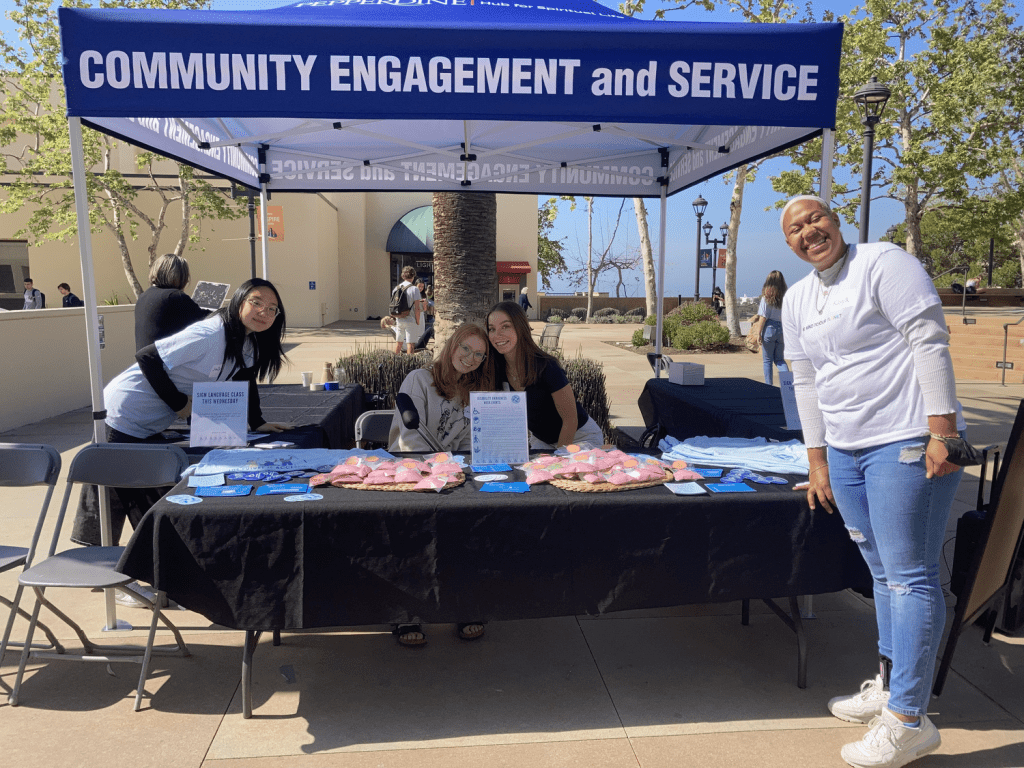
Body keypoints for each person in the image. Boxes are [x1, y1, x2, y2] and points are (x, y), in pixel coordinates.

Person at [780, 195, 966, 768]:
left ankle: (908, 719)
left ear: (836, 221)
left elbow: (928, 339)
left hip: (905, 440)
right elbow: (805, 381)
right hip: (844, 449)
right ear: (789, 243)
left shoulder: (884, 262)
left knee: (911, 577)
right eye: (795, 229)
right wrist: (817, 461)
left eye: (815, 219)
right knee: (881, 573)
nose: (809, 232)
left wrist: (944, 431)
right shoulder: (797, 298)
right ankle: (889, 684)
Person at [71, 279, 291, 604]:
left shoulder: (246, 341)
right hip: (124, 412)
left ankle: (132, 576)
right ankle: (123, 579)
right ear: (240, 301)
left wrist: (257, 423)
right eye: (257, 302)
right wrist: (180, 405)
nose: (264, 312)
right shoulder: (209, 333)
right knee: (140, 498)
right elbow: (147, 358)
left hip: (150, 423)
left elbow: (244, 379)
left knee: (149, 496)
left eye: (272, 309)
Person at [387, 322, 494, 646]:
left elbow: (465, 442)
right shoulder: (419, 379)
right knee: (414, 538)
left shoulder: (470, 393)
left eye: (479, 354)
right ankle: (406, 616)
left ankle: (465, 606)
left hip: (451, 474)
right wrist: (440, 468)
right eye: (466, 348)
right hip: (413, 473)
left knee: (470, 529)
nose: (471, 358)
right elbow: (409, 438)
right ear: (452, 346)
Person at [486, 301, 603, 449]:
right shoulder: (497, 369)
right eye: (492, 329)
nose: (497, 335)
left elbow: (570, 419)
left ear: (520, 327)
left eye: (506, 326)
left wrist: (560, 458)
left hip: (579, 437)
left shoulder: (546, 366)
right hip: (542, 440)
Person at [135, 253, 208, 351]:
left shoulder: (144, 296)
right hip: (166, 363)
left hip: (146, 362)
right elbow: (205, 320)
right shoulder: (175, 297)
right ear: (182, 276)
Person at [757, 271, 789, 386]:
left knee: (767, 360)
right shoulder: (786, 296)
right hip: (782, 329)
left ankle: (768, 386)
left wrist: (758, 333)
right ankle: (787, 384)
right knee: (780, 359)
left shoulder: (766, 297)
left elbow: (763, 317)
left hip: (769, 329)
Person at [392, 266, 422, 355]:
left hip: (399, 318)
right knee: (410, 344)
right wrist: (418, 321)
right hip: (410, 319)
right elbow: (417, 308)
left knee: (399, 342)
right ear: (413, 276)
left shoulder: (396, 288)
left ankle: (395, 360)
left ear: (403, 276)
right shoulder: (414, 289)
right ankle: (410, 363)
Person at [414, 284, 435, 351]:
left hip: (424, 316)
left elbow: (425, 309)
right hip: (419, 316)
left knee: (428, 329)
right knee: (429, 329)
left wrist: (425, 304)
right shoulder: (414, 294)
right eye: (419, 286)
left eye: (422, 287)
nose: (421, 288)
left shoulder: (424, 296)